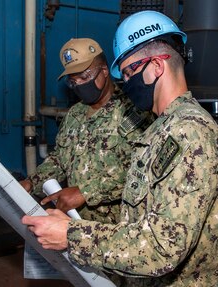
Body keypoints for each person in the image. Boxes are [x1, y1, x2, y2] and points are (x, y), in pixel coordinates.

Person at [22, 10, 218, 286]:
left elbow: (163, 247)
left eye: (130, 70)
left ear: (157, 66)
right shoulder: (162, 127)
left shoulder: (189, 133)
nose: (126, 80)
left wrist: (71, 235)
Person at [20, 37, 150, 225]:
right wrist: (31, 182)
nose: (79, 85)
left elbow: (144, 172)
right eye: (73, 81)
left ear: (104, 71)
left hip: (119, 231)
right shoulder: (74, 114)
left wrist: (86, 191)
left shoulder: (134, 111)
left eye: (84, 77)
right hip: (78, 226)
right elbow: (59, 160)